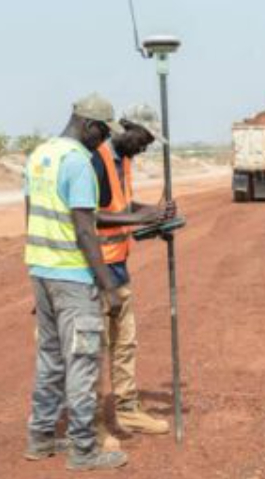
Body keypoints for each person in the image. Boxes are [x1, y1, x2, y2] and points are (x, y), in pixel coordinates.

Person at [23, 92, 129, 472]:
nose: (104, 140)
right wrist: (108, 287)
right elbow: (85, 229)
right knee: (83, 361)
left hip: (42, 271)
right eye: (103, 132)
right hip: (72, 277)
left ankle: (40, 438)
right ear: (88, 125)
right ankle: (84, 450)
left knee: (50, 359)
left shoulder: (39, 156)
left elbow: (30, 215)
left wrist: (42, 276)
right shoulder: (78, 162)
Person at [90, 104, 176, 442]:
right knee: (94, 350)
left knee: (125, 343)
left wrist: (155, 213)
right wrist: (141, 218)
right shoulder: (95, 160)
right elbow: (89, 216)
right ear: (126, 127)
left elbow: (122, 208)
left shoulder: (123, 160)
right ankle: (93, 425)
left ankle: (127, 409)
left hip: (119, 267)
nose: (145, 147)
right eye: (144, 139)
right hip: (95, 271)